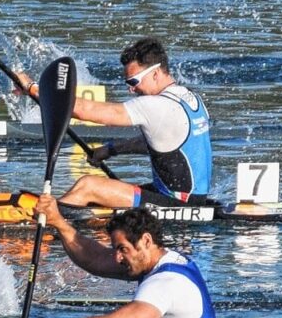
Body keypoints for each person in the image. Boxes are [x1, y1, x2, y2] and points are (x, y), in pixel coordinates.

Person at [11, 196, 219, 318]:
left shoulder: (165, 284)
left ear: (146, 240)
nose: (118, 257)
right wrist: (58, 222)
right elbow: (96, 259)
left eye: (122, 249)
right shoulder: (160, 260)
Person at [19, 37, 211, 208]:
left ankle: (47, 216)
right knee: (98, 191)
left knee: (88, 186)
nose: (131, 90)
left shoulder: (156, 106)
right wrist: (108, 150)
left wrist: (32, 88)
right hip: (193, 198)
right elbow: (160, 143)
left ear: (156, 74)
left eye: (134, 82)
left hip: (176, 204)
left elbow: (86, 111)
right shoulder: (191, 98)